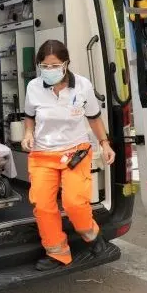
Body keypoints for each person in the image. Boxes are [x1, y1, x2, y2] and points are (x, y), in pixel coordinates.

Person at [22, 39, 116, 271]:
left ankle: (93, 237)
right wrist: (27, 134)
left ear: (65, 64)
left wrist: (105, 144)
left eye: (54, 66)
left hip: (75, 153)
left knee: (74, 202)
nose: (49, 71)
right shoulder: (34, 87)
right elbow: (29, 117)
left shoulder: (82, 86)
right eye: (44, 66)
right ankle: (58, 253)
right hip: (43, 154)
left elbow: (94, 117)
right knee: (43, 205)